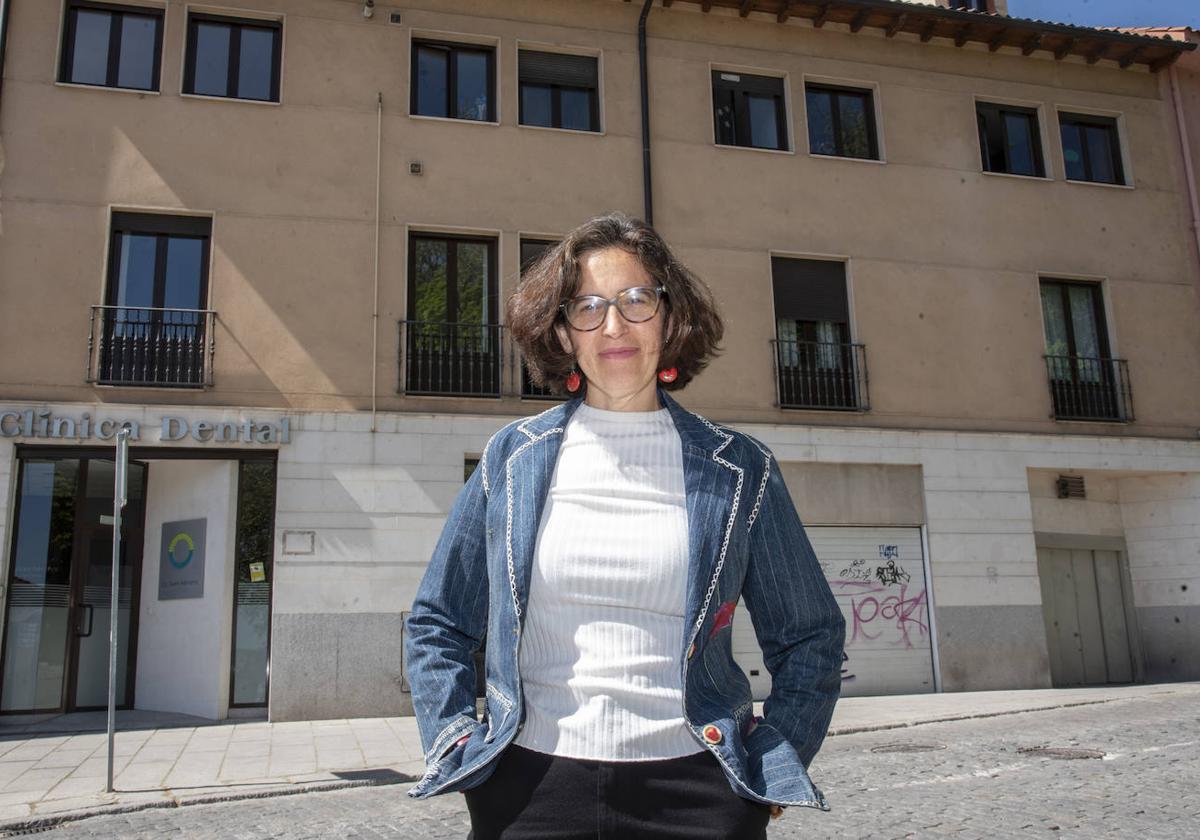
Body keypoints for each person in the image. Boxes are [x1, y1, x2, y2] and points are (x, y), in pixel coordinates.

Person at [404, 212, 845, 839]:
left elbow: (810, 635)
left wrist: (775, 759)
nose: (613, 325)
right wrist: (457, 743)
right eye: (587, 306)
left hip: (698, 794)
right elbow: (438, 621)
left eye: (636, 300)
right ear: (562, 333)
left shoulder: (739, 468)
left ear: (669, 319)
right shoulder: (513, 457)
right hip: (528, 794)